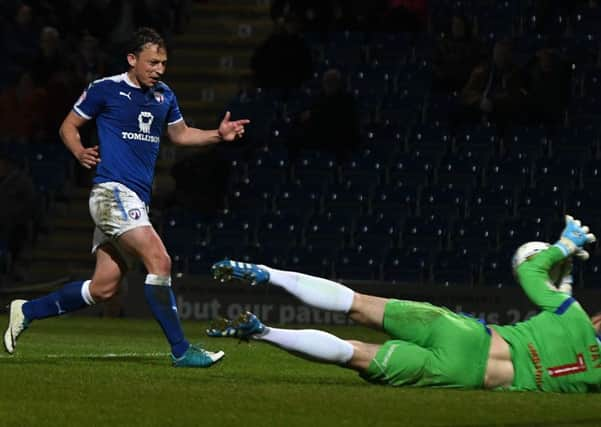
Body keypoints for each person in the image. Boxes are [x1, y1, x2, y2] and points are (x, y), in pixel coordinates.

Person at [3, 27, 250, 368]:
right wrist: (78, 152)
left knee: (103, 288)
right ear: (132, 59)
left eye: (163, 62)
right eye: (152, 62)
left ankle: (27, 310)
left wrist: (217, 135)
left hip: (134, 199)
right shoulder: (105, 89)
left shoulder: (164, 95)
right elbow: (68, 126)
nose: (159, 69)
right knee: (160, 261)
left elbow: (180, 135)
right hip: (112, 192)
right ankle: (181, 350)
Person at [207, 215, 601, 392]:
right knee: (354, 354)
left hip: (468, 336)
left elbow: (532, 273)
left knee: (356, 304)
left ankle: (265, 272)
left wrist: (563, 246)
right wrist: (564, 279)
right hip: (463, 375)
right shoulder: (593, 377)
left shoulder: (574, 317)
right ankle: (264, 332)